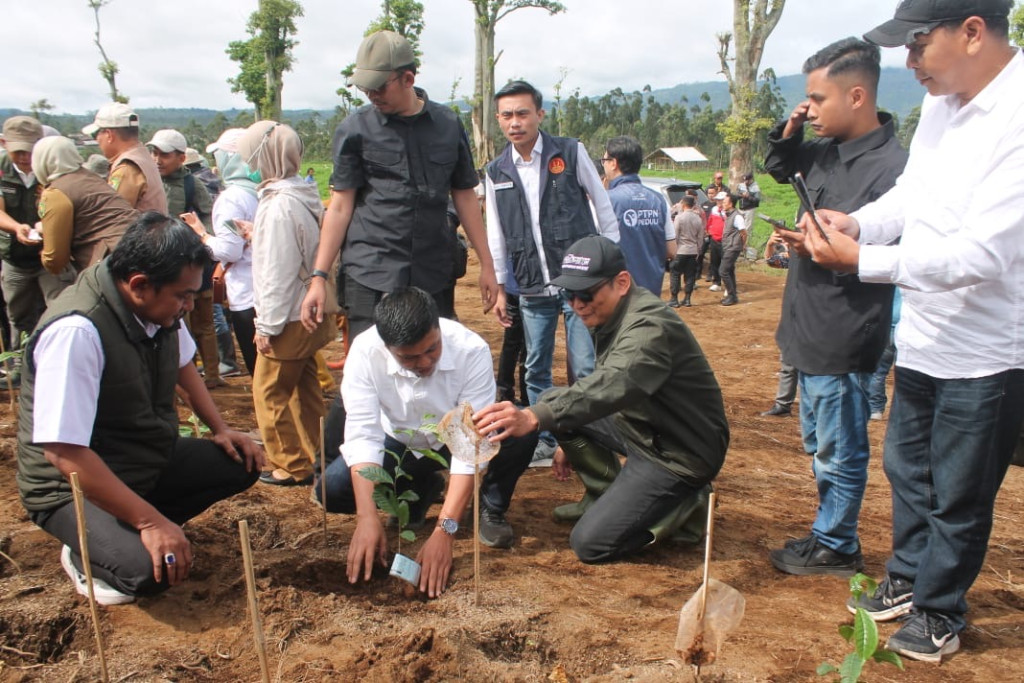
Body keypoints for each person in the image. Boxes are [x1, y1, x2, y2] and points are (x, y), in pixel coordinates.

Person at [801, 1, 1024, 662]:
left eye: (919, 44)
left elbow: (983, 256)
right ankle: (908, 572)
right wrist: (859, 224)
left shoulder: (1016, 118)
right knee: (908, 468)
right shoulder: (943, 106)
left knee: (959, 490)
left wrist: (863, 262)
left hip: (984, 349)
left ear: (974, 33)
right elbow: (912, 197)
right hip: (925, 334)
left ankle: (940, 608)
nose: (908, 61)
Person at [15, 212, 263, 605]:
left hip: (137, 455)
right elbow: (63, 452)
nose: (187, 305)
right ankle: (86, 553)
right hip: (69, 486)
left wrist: (220, 428)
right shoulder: (76, 331)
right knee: (153, 571)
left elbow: (183, 366)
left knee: (239, 461)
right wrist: (149, 522)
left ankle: (125, 527)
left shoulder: (160, 306)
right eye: (182, 296)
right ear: (139, 285)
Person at [475, 236, 729, 563]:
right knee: (556, 402)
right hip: (644, 426)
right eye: (569, 294)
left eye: (586, 294)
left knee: (590, 544)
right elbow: (595, 391)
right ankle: (604, 493)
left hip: (678, 452)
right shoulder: (611, 313)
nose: (577, 304)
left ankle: (685, 508)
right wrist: (563, 427)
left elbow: (612, 383)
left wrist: (533, 417)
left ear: (621, 283)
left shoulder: (648, 327)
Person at [761, 37, 908, 581]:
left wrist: (823, 247)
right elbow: (779, 164)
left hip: (845, 328)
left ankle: (836, 541)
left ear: (857, 94)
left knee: (839, 450)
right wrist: (793, 126)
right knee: (820, 443)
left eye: (817, 100)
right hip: (807, 319)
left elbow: (880, 253)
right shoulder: (822, 149)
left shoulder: (894, 169)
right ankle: (829, 529)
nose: (809, 109)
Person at [315, 288, 536, 596]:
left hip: (451, 441)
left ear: (438, 328)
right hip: (400, 443)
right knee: (333, 490)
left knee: (518, 431)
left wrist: (445, 532)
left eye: (432, 349)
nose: (424, 362)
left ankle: (490, 506)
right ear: (387, 346)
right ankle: (421, 488)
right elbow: (364, 434)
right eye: (409, 357)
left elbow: (467, 447)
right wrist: (367, 518)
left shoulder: (470, 349)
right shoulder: (365, 352)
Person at [300, 30, 499, 341]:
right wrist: (318, 277)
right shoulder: (355, 130)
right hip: (370, 273)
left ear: (408, 78)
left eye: (379, 86)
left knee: (431, 362)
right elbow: (339, 207)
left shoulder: (447, 125)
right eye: (365, 88)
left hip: (433, 272)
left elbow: (464, 195)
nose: (371, 94)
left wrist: (487, 265)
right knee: (372, 368)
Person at [484, 80, 619, 464]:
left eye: (523, 113)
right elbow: (496, 232)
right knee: (535, 367)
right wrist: (498, 287)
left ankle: (592, 439)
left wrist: (609, 260)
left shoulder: (570, 152)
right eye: (507, 115)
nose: (515, 122)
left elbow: (603, 206)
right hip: (531, 285)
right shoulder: (497, 171)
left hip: (578, 282)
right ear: (499, 120)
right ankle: (546, 437)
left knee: (586, 365)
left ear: (539, 115)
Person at [240, 121, 335, 487]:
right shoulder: (303, 194)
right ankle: (320, 455)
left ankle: (291, 464)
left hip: (288, 314)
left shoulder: (278, 206)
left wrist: (265, 326)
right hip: (307, 312)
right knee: (306, 389)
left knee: (270, 391)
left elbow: (275, 272)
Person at [147, 129, 223, 390]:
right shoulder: (149, 182)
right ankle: (183, 375)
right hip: (164, 262)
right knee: (178, 323)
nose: (158, 160)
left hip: (191, 261)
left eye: (164, 155)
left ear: (181, 158)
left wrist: (196, 236)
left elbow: (208, 217)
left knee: (203, 320)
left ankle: (212, 374)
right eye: (155, 153)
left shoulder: (193, 184)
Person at [196, 128, 259, 376]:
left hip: (246, 292)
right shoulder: (264, 189)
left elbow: (229, 250)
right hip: (271, 289)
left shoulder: (232, 198)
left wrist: (201, 235)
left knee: (261, 375)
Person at [0, 116, 57, 382]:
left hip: (48, 256)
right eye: (18, 150)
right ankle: (19, 369)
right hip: (14, 257)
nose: (24, 157)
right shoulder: (1, 169)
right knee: (18, 314)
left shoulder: (52, 169)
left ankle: (52, 362)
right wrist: (17, 228)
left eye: (30, 150)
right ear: (4, 144)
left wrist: (45, 225)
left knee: (58, 308)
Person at [32, 136, 136, 279]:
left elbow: (55, 261)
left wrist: (45, 242)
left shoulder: (55, 193)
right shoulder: (91, 178)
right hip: (139, 244)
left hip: (114, 263)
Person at [602, 136, 675, 296]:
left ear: (613, 163)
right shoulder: (658, 199)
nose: (604, 165)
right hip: (651, 294)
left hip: (617, 294)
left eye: (604, 160)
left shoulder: (606, 200)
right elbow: (671, 250)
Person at [83, 103, 167, 214]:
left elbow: (112, 216)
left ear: (109, 135)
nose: (97, 140)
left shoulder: (126, 168)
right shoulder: (142, 157)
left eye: (96, 135)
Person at [668, 195, 704, 307]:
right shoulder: (698, 218)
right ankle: (687, 299)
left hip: (680, 250)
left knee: (675, 274)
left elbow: (676, 235)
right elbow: (700, 237)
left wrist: (673, 250)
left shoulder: (680, 218)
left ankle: (674, 299)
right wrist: (698, 250)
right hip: (692, 251)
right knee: (690, 275)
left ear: (683, 205)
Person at [717, 193, 746, 306]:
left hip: (733, 247)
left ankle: (731, 295)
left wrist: (742, 245)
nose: (722, 204)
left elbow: (743, 232)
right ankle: (733, 295)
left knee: (723, 271)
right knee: (729, 271)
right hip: (728, 246)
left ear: (731, 204)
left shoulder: (737, 216)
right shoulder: (729, 215)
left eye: (725, 202)